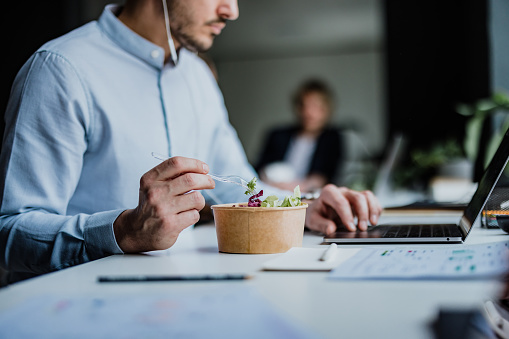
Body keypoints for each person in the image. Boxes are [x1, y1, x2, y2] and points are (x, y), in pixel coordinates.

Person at [0, 0, 382, 284]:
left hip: (184, 303)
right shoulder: (61, 69)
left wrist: (305, 208)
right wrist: (121, 232)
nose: (231, 10)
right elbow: (9, 232)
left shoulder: (199, 77)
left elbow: (240, 187)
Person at [256, 79, 343, 193]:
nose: (309, 113)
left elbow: (325, 177)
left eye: (315, 107)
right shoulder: (277, 135)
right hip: (271, 192)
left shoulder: (331, 140)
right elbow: (260, 169)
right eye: (304, 105)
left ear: (326, 109)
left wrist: (295, 187)